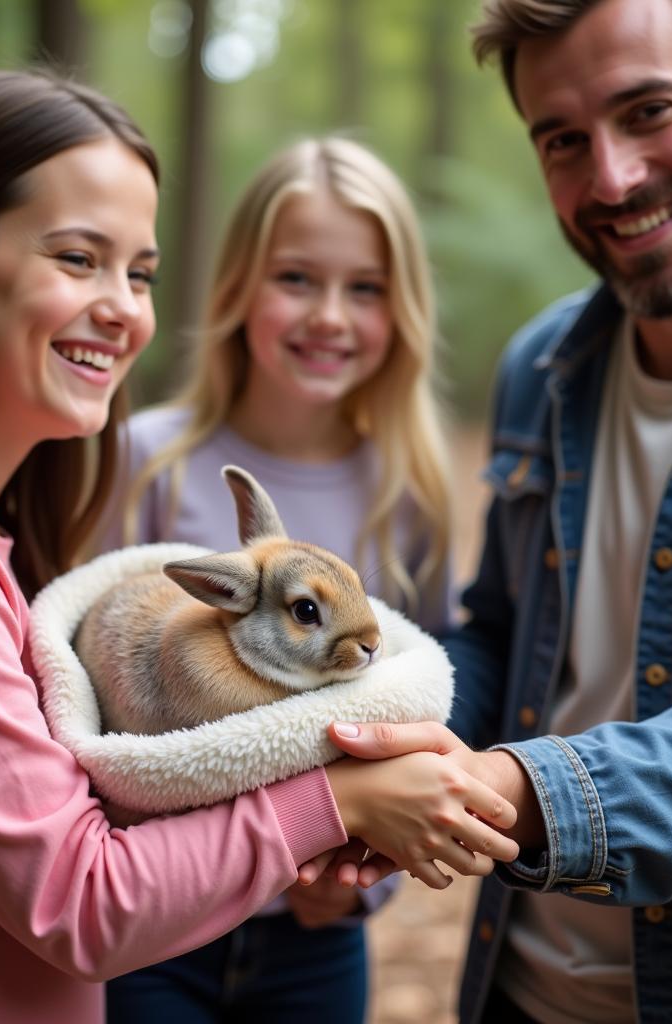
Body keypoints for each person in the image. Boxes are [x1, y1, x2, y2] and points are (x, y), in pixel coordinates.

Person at [0, 70, 522, 1024]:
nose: (122, 307)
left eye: (138, 272)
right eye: (77, 258)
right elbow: (78, 894)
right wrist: (337, 804)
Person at [327, 0, 672, 1021]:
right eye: (563, 140)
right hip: (516, 988)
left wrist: (510, 790)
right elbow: (502, 639)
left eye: (648, 111)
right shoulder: (542, 371)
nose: (611, 178)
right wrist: (360, 767)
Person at [98, 136, 455, 1023]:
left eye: (364, 287)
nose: (329, 314)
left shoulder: (411, 489)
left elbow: (430, 702)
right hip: (156, 922)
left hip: (314, 930)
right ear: (238, 289)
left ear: (400, 307)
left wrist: (359, 885)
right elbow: (83, 675)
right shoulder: (147, 462)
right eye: (297, 278)